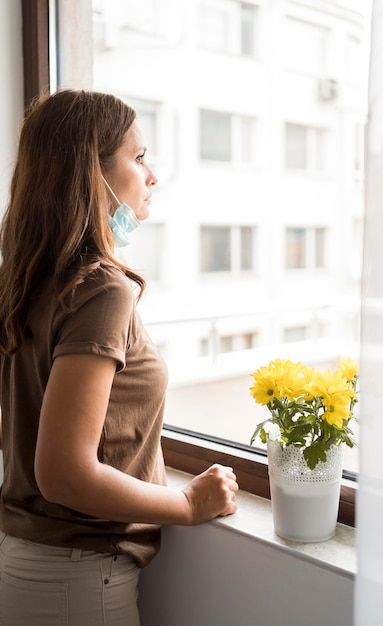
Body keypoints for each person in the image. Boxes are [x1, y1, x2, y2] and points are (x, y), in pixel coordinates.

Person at [0, 89, 239, 626]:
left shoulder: (27, 279)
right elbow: (62, 473)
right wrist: (188, 506)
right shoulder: (101, 289)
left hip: (29, 565)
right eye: (138, 157)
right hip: (75, 582)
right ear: (92, 174)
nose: (151, 175)